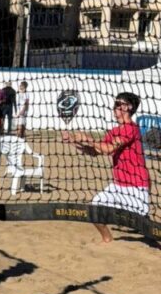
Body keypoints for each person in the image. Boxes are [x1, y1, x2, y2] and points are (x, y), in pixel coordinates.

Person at [63, 90, 151, 244]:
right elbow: (97, 150)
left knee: (146, 228)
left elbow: (109, 148)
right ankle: (107, 239)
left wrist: (87, 138)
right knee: (95, 207)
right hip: (118, 186)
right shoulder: (114, 131)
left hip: (136, 188)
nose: (114, 107)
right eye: (114, 104)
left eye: (118, 104)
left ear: (128, 107)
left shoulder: (131, 128)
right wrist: (75, 141)